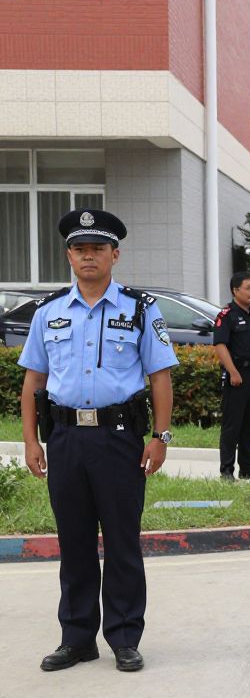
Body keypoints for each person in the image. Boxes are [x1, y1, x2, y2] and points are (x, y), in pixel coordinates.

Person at [18, 208, 178, 673]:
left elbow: (160, 376)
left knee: (123, 540)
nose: (88, 256)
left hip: (119, 439)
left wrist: (160, 437)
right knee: (75, 541)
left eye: (98, 249)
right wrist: (31, 441)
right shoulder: (48, 313)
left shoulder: (140, 309)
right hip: (65, 439)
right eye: (80, 249)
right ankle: (77, 638)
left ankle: (125, 637)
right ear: (69, 255)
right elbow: (33, 383)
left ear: (115, 254)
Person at [214, 271, 250, 481]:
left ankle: (247, 468)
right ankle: (226, 470)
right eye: (248, 288)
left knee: (249, 424)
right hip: (237, 377)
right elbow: (220, 345)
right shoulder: (227, 315)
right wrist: (233, 372)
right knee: (232, 425)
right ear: (235, 290)